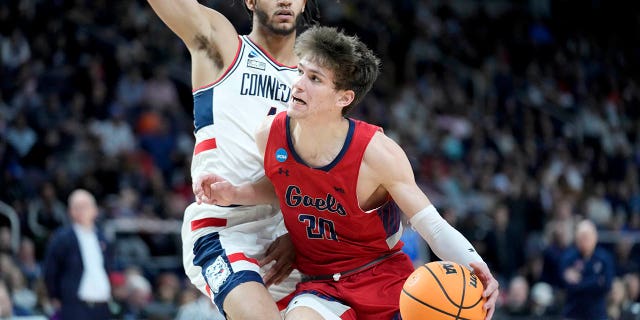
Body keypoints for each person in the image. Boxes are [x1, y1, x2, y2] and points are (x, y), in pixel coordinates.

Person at [195, 26, 500, 320]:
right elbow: (282, 185)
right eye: (300, 71)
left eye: (314, 78)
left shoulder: (377, 153)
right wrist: (236, 193)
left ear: (344, 98)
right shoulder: (269, 133)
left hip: (383, 277)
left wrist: (475, 264)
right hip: (321, 285)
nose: (298, 84)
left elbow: (431, 225)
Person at [145, 0, 318, 318]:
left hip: (290, 238)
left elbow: (323, 176)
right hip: (224, 227)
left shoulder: (316, 81)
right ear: (250, 1)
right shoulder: (222, 44)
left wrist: (297, 237)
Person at [43, 189, 111, 320]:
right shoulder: (62, 238)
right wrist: (55, 297)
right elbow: (50, 270)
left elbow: (108, 266)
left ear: (95, 210)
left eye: (86, 206)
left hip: (102, 304)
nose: (82, 210)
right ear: (70, 211)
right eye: (77, 207)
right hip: (75, 305)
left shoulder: (103, 238)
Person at [560, 219, 614, 320]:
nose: (584, 240)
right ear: (576, 238)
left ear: (595, 237)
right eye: (582, 236)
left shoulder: (604, 258)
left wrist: (580, 282)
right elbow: (567, 284)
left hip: (597, 314)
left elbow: (607, 284)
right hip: (572, 313)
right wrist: (596, 281)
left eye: (587, 236)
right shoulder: (568, 257)